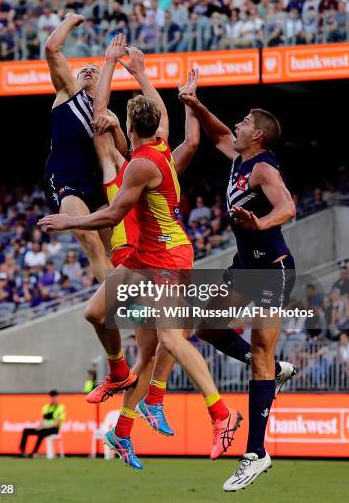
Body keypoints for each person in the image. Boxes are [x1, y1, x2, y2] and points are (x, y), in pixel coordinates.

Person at [39, 93, 242, 470]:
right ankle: (124, 385)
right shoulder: (156, 147)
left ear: (128, 129)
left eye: (113, 126)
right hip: (141, 257)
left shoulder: (135, 166)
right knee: (96, 314)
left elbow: (114, 212)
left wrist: (68, 221)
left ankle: (218, 413)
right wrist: (152, 79)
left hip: (165, 257)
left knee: (165, 340)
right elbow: (175, 127)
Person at [88, 41, 203, 465]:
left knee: (157, 347)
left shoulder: (151, 164)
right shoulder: (118, 165)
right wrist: (115, 68)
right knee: (161, 341)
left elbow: (180, 137)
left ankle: (125, 424)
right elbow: (103, 117)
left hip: (145, 262)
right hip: (128, 262)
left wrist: (135, 73)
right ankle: (132, 388)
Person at [177, 94, 297, 491]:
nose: (239, 124)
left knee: (262, 353)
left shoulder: (262, 167)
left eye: (246, 121)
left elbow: (288, 207)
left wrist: (261, 224)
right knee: (206, 327)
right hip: (246, 266)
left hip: (271, 270)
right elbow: (219, 132)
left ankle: (255, 453)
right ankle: (272, 372)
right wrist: (193, 104)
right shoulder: (238, 155)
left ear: (258, 134)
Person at [43, 15, 127, 284]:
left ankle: (127, 311)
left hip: (98, 184)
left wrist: (115, 127)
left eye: (95, 69)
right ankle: (121, 306)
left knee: (114, 250)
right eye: (83, 70)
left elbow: (122, 153)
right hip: (66, 180)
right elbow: (51, 48)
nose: (89, 71)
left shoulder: (107, 113)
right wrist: (70, 20)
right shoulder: (68, 94)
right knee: (91, 243)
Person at [19, 390, 66, 457]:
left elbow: (57, 423)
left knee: (42, 433)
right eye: (52, 397)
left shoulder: (61, 407)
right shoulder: (46, 407)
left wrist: (45, 426)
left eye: (54, 397)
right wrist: (39, 426)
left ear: (57, 397)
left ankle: (34, 452)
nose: (53, 398)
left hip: (54, 429)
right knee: (26, 431)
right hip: (44, 428)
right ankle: (22, 451)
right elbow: (42, 420)